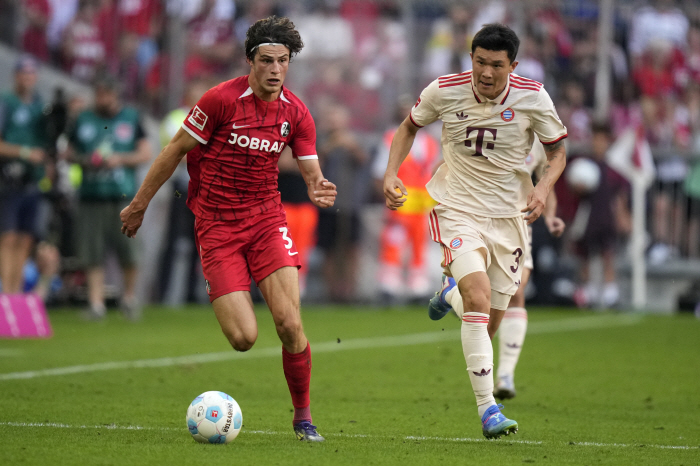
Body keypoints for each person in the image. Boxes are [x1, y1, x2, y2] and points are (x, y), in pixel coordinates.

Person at [119, 16, 336, 442]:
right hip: (216, 226)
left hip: (267, 221)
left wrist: (318, 186)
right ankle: (230, 287)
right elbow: (173, 152)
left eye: (284, 61)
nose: (276, 69)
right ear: (251, 61)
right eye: (267, 60)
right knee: (243, 338)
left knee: (290, 324)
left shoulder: (296, 112)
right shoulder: (219, 101)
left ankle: (303, 418)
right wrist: (139, 204)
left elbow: (310, 168)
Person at [383, 24, 567, 439]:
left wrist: (542, 189)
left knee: (488, 322)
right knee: (479, 295)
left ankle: (449, 294)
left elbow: (557, 152)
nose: (485, 72)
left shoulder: (533, 97)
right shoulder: (444, 89)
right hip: (457, 209)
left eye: (496, 65)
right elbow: (409, 126)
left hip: (510, 219)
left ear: (512, 65)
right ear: (471, 58)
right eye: (479, 61)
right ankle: (488, 409)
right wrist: (391, 172)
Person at [66, 75, 151, 319]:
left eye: (107, 93)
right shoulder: (82, 118)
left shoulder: (132, 117)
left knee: (130, 250)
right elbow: (69, 152)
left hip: (123, 195)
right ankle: (96, 303)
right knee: (92, 251)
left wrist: (120, 159)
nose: (102, 98)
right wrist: (86, 161)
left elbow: (145, 153)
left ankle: (129, 298)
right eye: (99, 93)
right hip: (91, 194)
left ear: (116, 94)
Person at [493, 141, 565, 400]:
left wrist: (550, 216)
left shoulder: (537, 136)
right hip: (482, 218)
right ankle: (451, 295)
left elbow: (545, 181)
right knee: (480, 293)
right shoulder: (491, 120)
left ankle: (505, 374)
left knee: (516, 289)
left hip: (518, 224)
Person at [372, 96, 441, 302]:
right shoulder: (391, 137)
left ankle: (417, 286)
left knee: (420, 243)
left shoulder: (430, 142)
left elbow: (434, 172)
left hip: (423, 202)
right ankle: (389, 284)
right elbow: (380, 170)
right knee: (394, 241)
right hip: (400, 199)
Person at [0, 55, 46, 295]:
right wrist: (25, 152)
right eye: (23, 73)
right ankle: (5, 293)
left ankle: (15, 294)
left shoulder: (39, 105)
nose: (27, 78)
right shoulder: (5, 102)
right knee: (7, 237)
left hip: (33, 179)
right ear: (16, 76)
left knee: (26, 239)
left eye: (31, 74)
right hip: (8, 178)